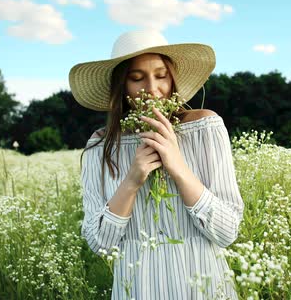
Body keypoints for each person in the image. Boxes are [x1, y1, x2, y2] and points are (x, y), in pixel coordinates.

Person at [69, 29, 244, 299]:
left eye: (161, 75)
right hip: (138, 287)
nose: (152, 88)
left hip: (204, 286)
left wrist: (179, 168)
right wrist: (132, 180)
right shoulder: (100, 146)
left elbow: (227, 231)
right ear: (121, 86)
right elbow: (100, 245)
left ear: (172, 78)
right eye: (136, 78)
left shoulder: (205, 128)